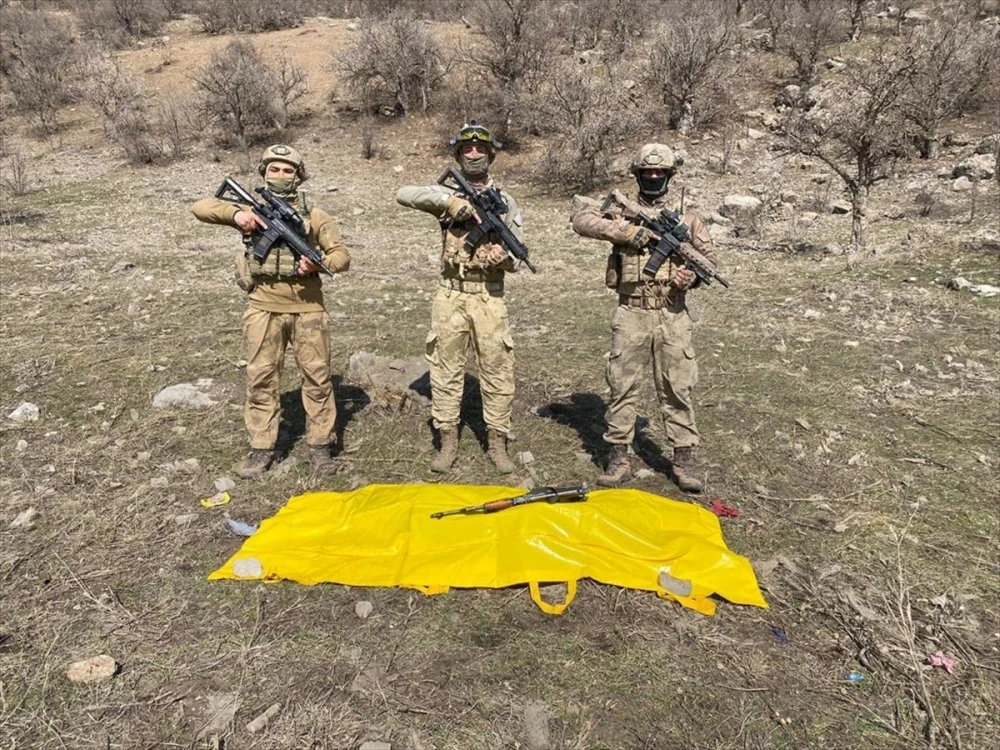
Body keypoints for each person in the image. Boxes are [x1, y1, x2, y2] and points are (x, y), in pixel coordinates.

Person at [191, 144, 351, 479]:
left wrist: (317, 265)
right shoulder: (253, 209)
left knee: (318, 378)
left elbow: (341, 257)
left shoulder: (314, 215)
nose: (280, 175)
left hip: (308, 309)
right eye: (274, 169)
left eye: (288, 170)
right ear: (264, 172)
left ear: (298, 175)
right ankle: (261, 449)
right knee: (261, 378)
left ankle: (320, 448)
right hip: (263, 307)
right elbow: (201, 207)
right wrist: (238, 216)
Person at [571, 143, 717, 493]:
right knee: (622, 386)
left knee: (677, 386)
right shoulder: (625, 213)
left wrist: (690, 277)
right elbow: (580, 218)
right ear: (637, 175)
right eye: (647, 173)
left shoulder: (688, 221)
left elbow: (710, 261)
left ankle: (683, 460)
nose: (653, 178)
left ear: (669, 177)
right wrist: (625, 232)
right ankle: (618, 457)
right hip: (631, 310)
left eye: (660, 174)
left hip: (672, 313)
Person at [395, 121, 523, 474]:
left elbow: (516, 254)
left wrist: (505, 259)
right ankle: (447, 441)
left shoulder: (506, 202)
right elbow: (404, 193)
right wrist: (451, 201)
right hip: (451, 294)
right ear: (458, 153)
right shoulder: (448, 196)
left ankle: (497, 443)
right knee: (446, 369)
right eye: (467, 148)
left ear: (491, 154)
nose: (474, 153)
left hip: (489, 297)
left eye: (481, 148)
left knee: (498, 370)